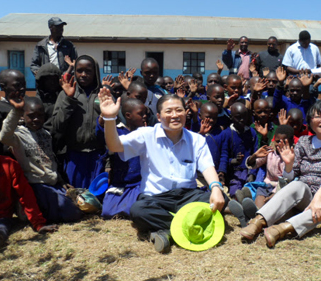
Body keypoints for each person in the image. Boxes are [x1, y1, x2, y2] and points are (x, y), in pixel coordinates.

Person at [99, 91, 227, 253]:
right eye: (169, 111)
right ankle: (187, 223)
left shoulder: (197, 139)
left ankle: (164, 229)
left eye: (179, 110)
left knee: (221, 198)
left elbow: (207, 167)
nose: (175, 115)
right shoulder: (146, 135)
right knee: (138, 210)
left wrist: (215, 187)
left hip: (187, 196)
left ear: (185, 113)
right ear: (159, 117)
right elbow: (115, 146)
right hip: (155, 198)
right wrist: (110, 118)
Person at [240, 100, 321, 248]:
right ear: (310, 122)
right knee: (297, 185)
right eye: (317, 116)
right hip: (308, 197)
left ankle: (282, 229)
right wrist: (288, 165)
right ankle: (258, 221)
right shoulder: (303, 142)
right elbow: (291, 178)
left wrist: (319, 198)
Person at [0, 96, 82, 223]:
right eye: (31, 116)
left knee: (75, 212)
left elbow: (50, 160)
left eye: (40, 115)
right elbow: (4, 136)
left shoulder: (46, 134)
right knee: (66, 212)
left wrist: (60, 180)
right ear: (23, 116)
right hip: (35, 184)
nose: (36, 119)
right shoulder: (18, 136)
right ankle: (27, 209)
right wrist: (15, 112)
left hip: (51, 182)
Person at [51, 55, 104, 189]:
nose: (83, 74)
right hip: (74, 156)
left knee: (96, 199)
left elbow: (114, 126)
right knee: (75, 198)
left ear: (95, 72)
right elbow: (57, 126)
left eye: (88, 71)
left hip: (98, 155)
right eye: (79, 70)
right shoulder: (66, 94)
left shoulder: (103, 94)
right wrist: (69, 100)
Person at [96, 97, 146, 219]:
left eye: (146, 114)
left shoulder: (146, 133)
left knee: (133, 210)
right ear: (128, 115)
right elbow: (102, 129)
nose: (144, 116)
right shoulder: (117, 132)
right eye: (141, 114)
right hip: (120, 182)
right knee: (107, 212)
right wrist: (106, 114)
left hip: (139, 183)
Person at [218, 102, 258, 197]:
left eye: (244, 117)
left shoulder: (252, 133)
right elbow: (224, 156)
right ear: (231, 117)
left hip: (249, 170)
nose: (242, 120)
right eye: (238, 117)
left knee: (253, 187)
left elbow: (255, 154)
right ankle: (239, 199)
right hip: (234, 172)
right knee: (235, 189)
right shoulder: (226, 134)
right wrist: (234, 161)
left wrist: (252, 173)